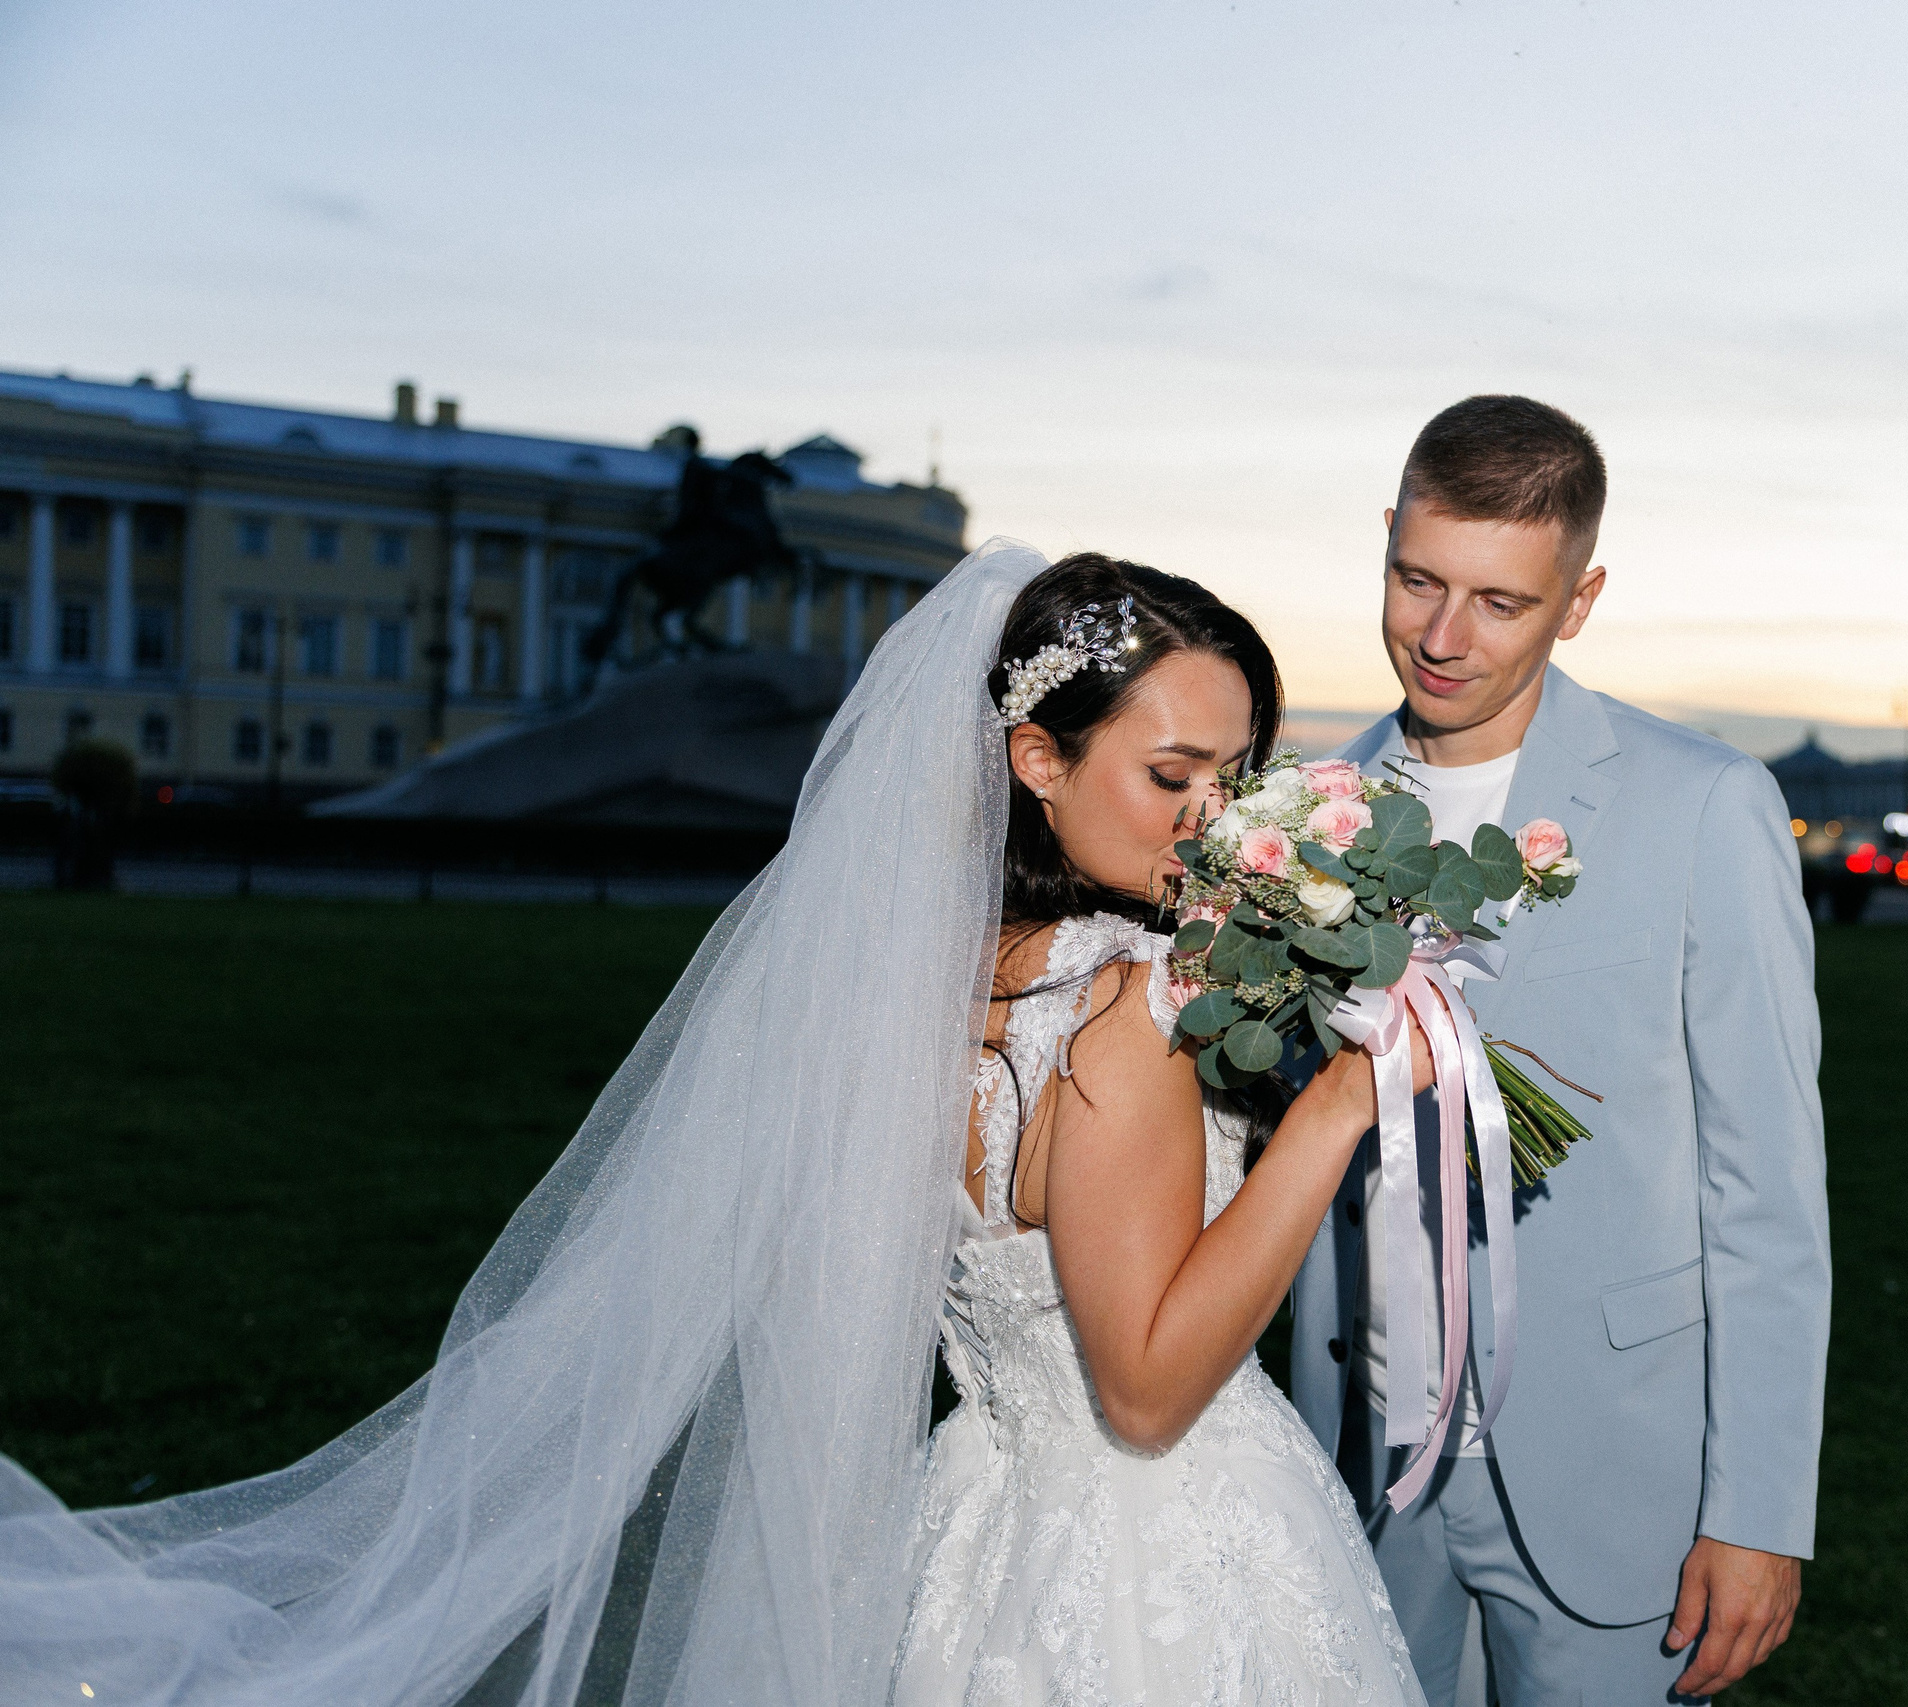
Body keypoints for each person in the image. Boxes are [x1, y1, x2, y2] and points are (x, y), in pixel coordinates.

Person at [0, 543, 1426, 1707]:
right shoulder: (1125, 1012)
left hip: (983, 1529)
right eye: (1169, 776)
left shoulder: (925, 984)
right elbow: (1150, 1387)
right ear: (1037, 762)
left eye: (1238, 778)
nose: (1217, 821)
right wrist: (1335, 1111)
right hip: (1160, 1566)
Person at [1290, 397, 1833, 1703]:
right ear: (1384, 539)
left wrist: (1760, 1508)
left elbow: (1766, 1190)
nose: (1441, 636)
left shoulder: (1704, 804)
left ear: (1579, 601)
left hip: (1614, 1471)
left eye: (1499, 602)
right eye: (1417, 579)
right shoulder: (1303, 812)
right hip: (1357, 1469)